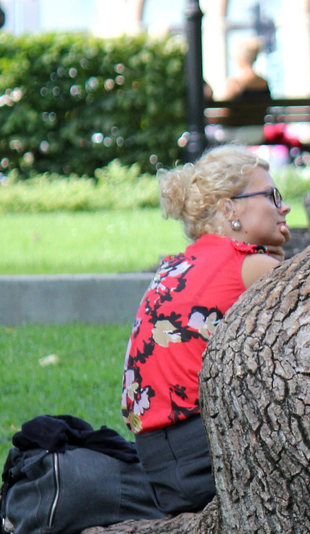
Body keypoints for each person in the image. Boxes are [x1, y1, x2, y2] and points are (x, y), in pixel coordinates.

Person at [122, 145, 290, 513]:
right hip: (203, 460)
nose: (284, 207)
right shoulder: (249, 267)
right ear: (230, 208)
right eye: (272, 196)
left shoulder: (180, 264)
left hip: (160, 462)